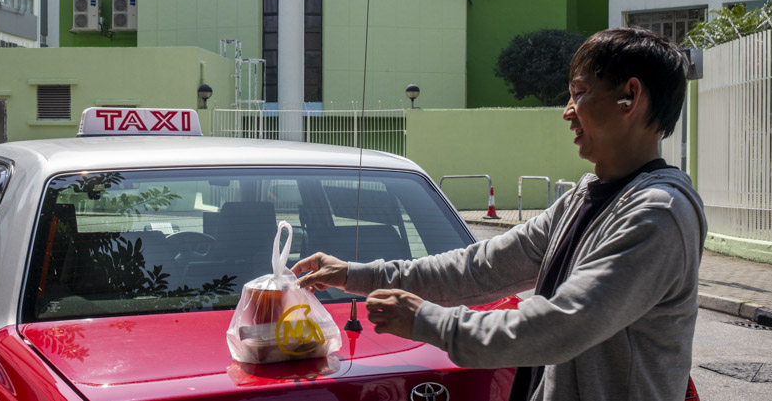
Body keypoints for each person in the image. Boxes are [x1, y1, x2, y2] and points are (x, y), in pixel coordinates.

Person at [292, 27, 707, 401]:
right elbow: (476, 270)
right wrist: (354, 274)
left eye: (579, 93)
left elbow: (560, 326)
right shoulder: (585, 197)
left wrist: (426, 320)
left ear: (630, 97)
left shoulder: (657, 213)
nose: (568, 111)